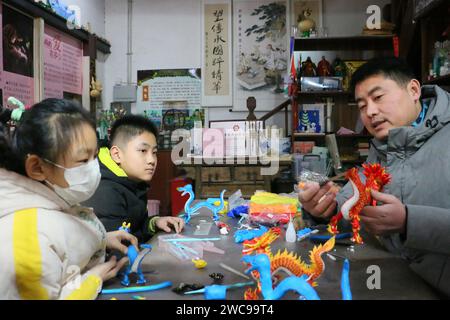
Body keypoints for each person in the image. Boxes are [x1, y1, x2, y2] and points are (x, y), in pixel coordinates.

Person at [298, 57, 450, 298]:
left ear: (413, 90)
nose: (370, 112)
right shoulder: (381, 150)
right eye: (361, 105)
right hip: (395, 285)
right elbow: (348, 205)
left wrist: (410, 221)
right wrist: (322, 209)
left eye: (378, 97)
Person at [0, 99, 138, 299]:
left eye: (95, 157)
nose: (93, 168)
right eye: (83, 160)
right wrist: (91, 281)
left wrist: (100, 238)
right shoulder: (24, 236)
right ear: (38, 168)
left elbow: (60, 239)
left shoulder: (51, 197)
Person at [83, 115, 185, 243]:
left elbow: (134, 227)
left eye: (154, 152)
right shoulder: (105, 191)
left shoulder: (131, 180)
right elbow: (117, 250)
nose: (151, 160)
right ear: (117, 154)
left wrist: (155, 222)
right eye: (143, 151)